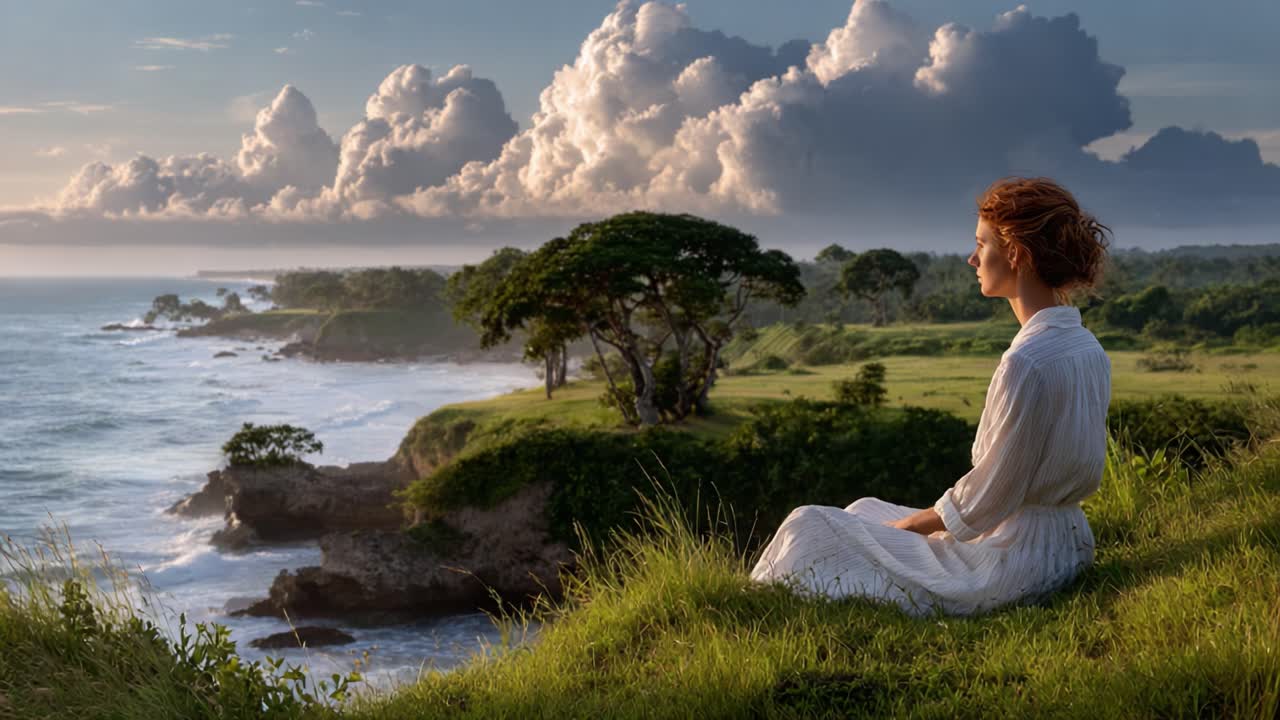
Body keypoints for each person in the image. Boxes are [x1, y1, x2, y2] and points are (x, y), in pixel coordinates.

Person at [749, 177, 1113, 617]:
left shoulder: (1027, 362)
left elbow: (990, 495)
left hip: (1012, 562)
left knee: (808, 523)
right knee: (864, 509)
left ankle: (755, 608)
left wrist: (912, 527)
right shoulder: (1083, 345)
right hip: (1067, 544)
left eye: (982, 244)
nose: (972, 258)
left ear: (1015, 253)